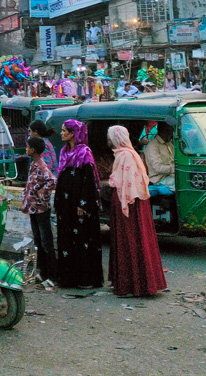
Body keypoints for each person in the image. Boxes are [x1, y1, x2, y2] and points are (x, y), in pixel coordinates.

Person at [106, 125, 167, 297]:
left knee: (131, 241)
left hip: (130, 204)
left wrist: (123, 202)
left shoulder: (125, 156)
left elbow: (126, 185)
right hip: (132, 203)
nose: (108, 141)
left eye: (110, 137)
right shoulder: (126, 154)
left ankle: (134, 285)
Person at [55, 119, 104, 289]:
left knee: (83, 239)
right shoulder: (64, 152)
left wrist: (83, 204)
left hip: (80, 205)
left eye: (64, 131)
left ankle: (86, 279)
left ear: (74, 133)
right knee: (66, 239)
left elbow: (89, 181)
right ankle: (68, 279)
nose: (61, 133)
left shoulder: (85, 153)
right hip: (65, 205)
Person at [23, 137, 57, 287]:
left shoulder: (42, 166)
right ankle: (42, 272)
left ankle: (52, 275)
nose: (26, 149)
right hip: (33, 208)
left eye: (27, 146)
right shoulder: (33, 165)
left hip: (41, 208)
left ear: (33, 150)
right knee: (38, 240)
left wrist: (41, 194)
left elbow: (51, 181)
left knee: (46, 242)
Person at [144, 123, 175, 194]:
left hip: (170, 176)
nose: (172, 134)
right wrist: (175, 169)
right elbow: (158, 168)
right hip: (159, 179)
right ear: (163, 131)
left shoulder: (169, 144)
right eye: (170, 131)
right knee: (183, 185)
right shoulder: (153, 145)